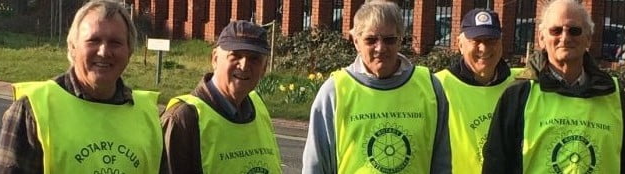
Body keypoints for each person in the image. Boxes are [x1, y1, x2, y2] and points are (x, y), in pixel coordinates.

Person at [0, 0, 162, 173]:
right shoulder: (32, 109)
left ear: (130, 51)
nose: (104, 52)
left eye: (115, 43)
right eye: (93, 41)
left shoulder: (148, 115)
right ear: (73, 48)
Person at [481, 0, 625, 173]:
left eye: (574, 31)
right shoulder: (518, 94)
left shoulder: (613, 94)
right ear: (542, 38)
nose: (565, 37)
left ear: (588, 39)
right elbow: (495, 163)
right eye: (556, 30)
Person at [299, 0, 452, 173]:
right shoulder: (335, 91)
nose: (380, 48)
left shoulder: (429, 87)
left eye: (389, 40)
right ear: (356, 41)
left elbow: (442, 162)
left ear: (400, 39)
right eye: (371, 40)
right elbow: (316, 164)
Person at [160, 20, 283, 173]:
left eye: (254, 59)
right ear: (215, 59)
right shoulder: (184, 118)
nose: (244, 65)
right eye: (235, 55)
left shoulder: (259, 108)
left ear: (264, 68)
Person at [433, 8, 523, 173]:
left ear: (501, 43)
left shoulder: (520, 84)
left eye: (491, 40)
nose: (484, 48)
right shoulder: (438, 85)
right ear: (460, 44)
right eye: (476, 40)